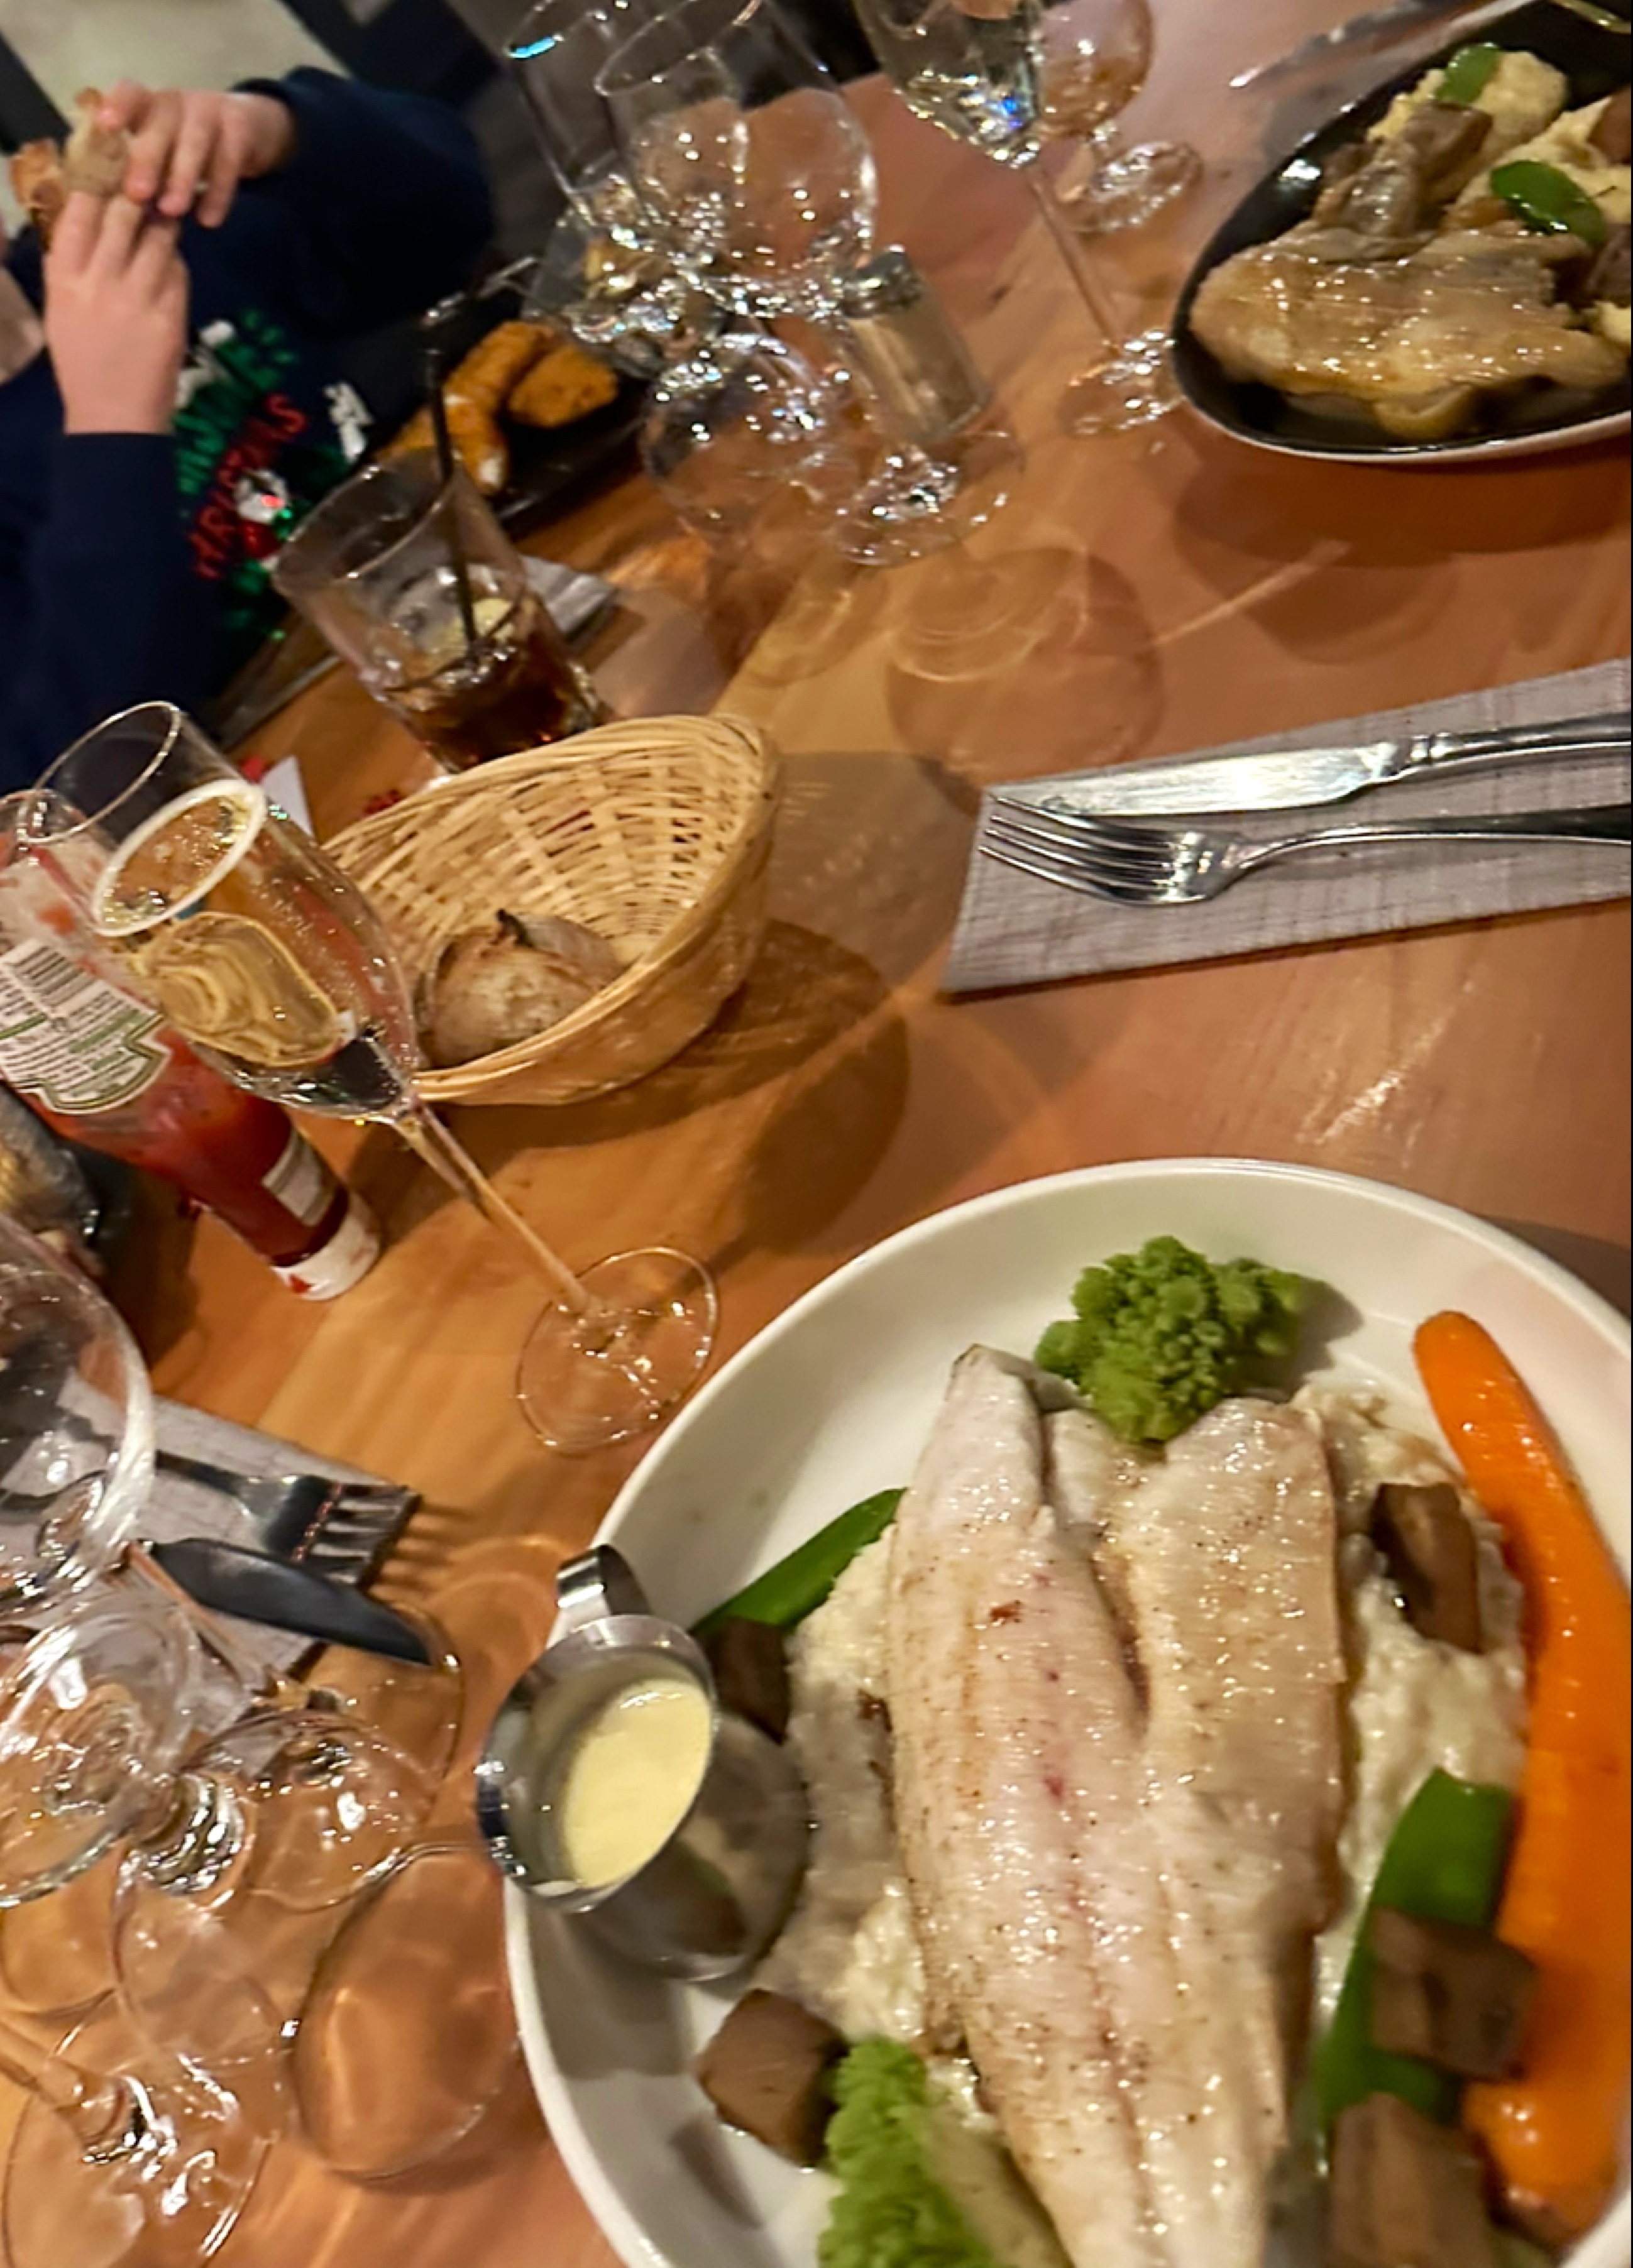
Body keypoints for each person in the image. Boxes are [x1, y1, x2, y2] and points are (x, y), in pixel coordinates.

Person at [0, 72, 493, 790]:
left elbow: (456, 225)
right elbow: (86, 781)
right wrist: (113, 426)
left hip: (453, 633)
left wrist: (286, 133)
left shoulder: (131, 249)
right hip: (285, 802)